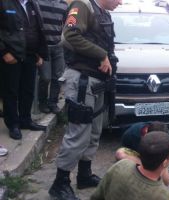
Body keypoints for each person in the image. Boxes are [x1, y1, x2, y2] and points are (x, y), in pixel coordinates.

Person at [48, 0, 122, 199]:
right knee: (78, 133)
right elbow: (69, 36)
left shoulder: (104, 14)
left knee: (94, 131)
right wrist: (102, 55)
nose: (121, 2)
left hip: (97, 82)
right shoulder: (82, 6)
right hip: (82, 80)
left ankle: (84, 174)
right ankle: (60, 183)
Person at [0, 0, 48, 140]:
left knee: (27, 90)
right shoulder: (4, 3)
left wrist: (39, 53)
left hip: (30, 55)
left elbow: (37, 29)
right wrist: (3, 53)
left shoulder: (33, 4)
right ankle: (13, 124)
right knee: (11, 91)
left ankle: (25, 120)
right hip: (11, 55)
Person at [115, 121, 169, 190]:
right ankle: (165, 176)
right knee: (120, 153)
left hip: (157, 157)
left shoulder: (167, 134)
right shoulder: (132, 133)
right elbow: (125, 148)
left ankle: (161, 171)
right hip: (139, 156)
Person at [37, 0, 68, 114]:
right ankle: (42, 102)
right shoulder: (38, 3)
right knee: (45, 77)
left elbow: (66, 24)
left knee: (58, 77)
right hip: (43, 46)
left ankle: (53, 103)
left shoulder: (64, 5)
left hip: (58, 46)